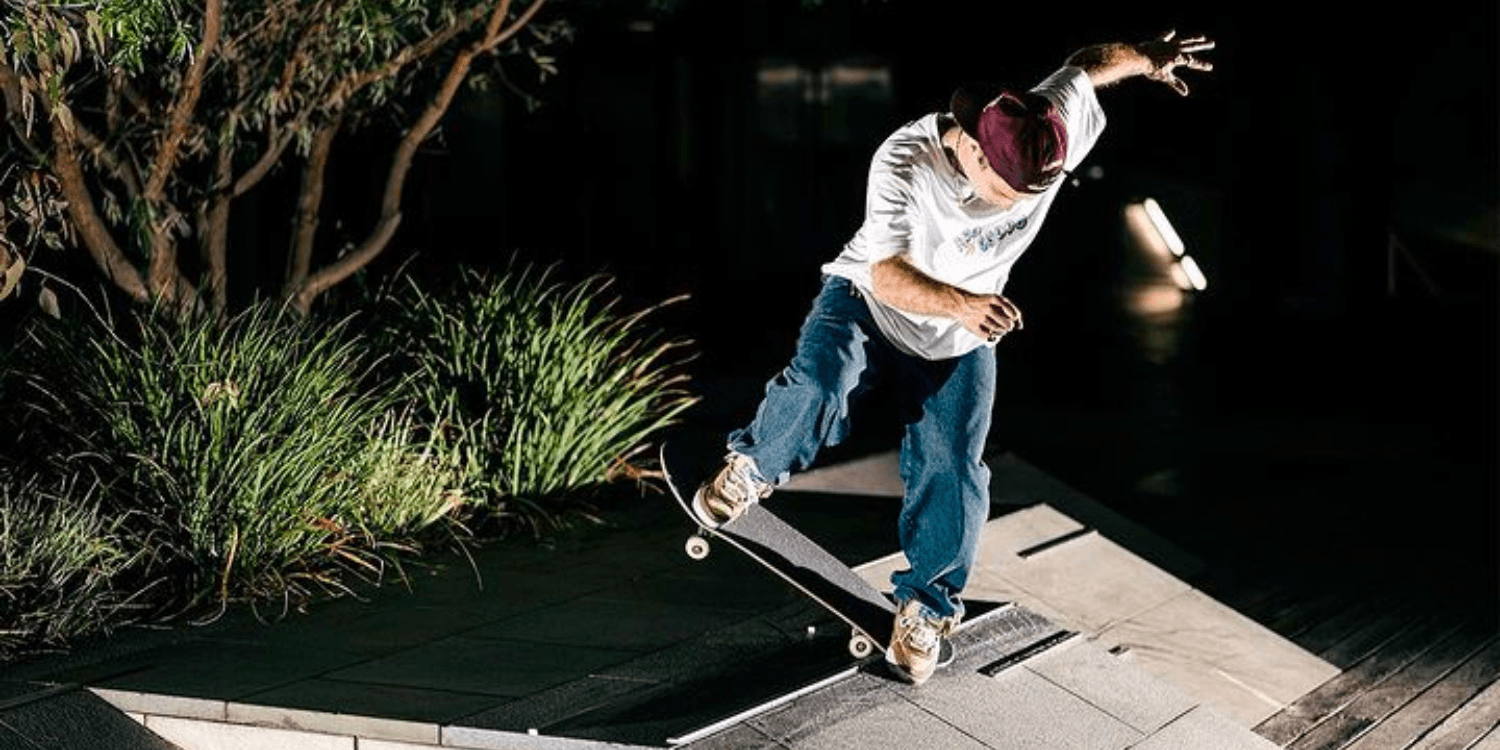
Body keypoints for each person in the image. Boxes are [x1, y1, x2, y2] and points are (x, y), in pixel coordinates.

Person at [691, 31, 1214, 685]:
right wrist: (962, 304)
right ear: (971, 147)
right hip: (870, 300)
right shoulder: (904, 161)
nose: (1014, 204)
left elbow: (1086, 66)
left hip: (958, 336)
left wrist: (1146, 58)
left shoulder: (1048, 126)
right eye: (1003, 191)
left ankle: (927, 609)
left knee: (954, 466)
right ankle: (751, 466)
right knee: (823, 384)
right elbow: (886, 274)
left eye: (1029, 194)